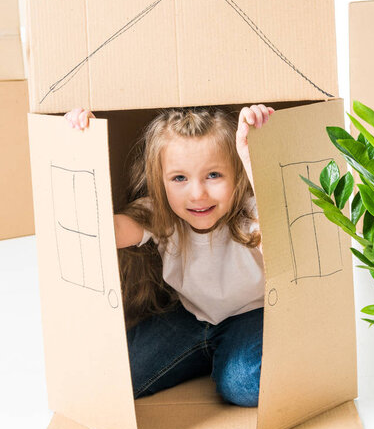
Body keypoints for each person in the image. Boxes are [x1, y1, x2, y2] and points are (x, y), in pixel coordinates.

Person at [64, 103, 275, 407]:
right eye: (179, 178)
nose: (197, 194)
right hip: (191, 315)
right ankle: (211, 354)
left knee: (243, 384)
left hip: (251, 316)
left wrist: (249, 154)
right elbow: (106, 231)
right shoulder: (162, 213)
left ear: (238, 173)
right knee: (119, 375)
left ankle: (226, 357)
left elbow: (282, 243)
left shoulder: (250, 210)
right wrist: (85, 149)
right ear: (160, 182)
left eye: (213, 175)